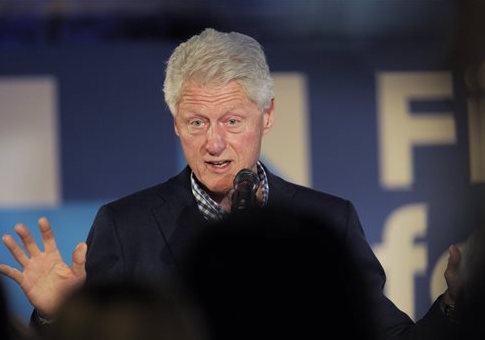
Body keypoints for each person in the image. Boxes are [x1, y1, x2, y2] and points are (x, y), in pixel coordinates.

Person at [0, 28, 462, 339]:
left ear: (268, 116)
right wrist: (57, 317)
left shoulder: (326, 221)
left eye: (233, 120)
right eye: (196, 121)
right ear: (175, 124)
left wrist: (457, 305)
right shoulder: (125, 226)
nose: (214, 143)